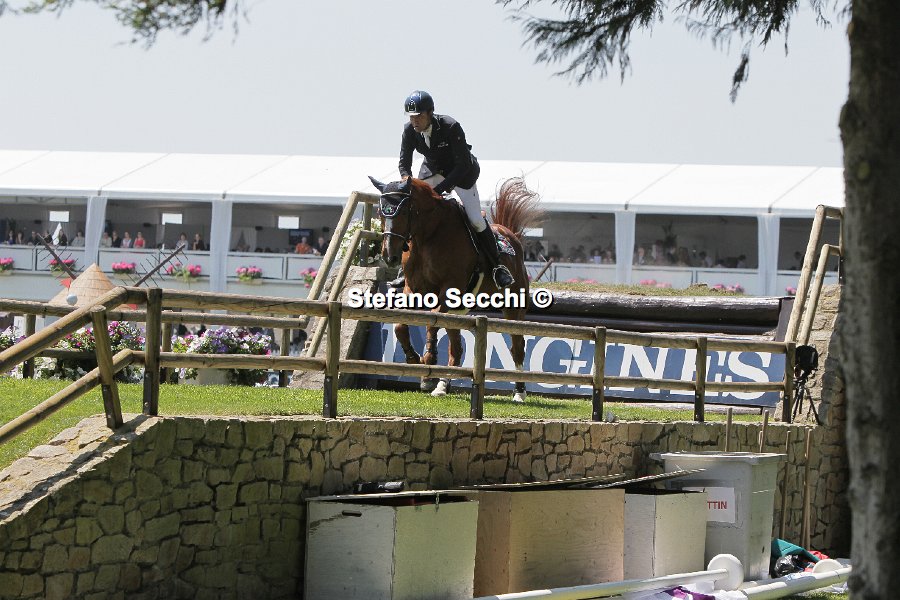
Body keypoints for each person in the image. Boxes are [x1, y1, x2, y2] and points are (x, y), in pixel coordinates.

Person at [392, 90, 513, 289]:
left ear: (430, 113)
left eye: (419, 116)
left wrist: (440, 190)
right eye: (411, 116)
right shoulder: (409, 131)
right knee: (413, 214)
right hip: (432, 171)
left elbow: (462, 165)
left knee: (476, 220)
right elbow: (404, 163)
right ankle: (405, 271)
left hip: (461, 174)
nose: (415, 121)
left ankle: (497, 267)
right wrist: (407, 182)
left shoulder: (450, 126)